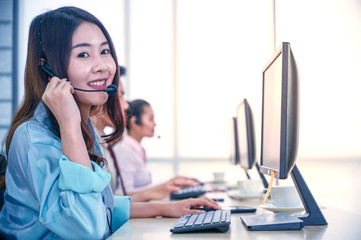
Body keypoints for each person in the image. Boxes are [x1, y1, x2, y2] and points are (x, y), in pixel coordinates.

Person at [0, 7, 220, 239]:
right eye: (83, 54)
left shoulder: (84, 129)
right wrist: (70, 126)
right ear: (47, 67)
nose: (103, 66)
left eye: (105, 51)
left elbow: (99, 204)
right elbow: (88, 229)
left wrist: (165, 208)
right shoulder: (34, 138)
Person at [92, 66, 199, 201]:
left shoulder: (104, 142)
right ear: (134, 121)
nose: (125, 106)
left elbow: (112, 199)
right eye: (120, 96)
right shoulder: (118, 148)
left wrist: (168, 185)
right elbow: (116, 198)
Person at [113, 99, 198, 197]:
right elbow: (124, 194)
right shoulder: (124, 150)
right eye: (150, 119)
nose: (155, 124)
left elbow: (146, 187)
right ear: (134, 122)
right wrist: (167, 185)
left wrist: (171, 182)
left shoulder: (136, 148)